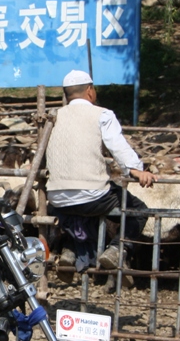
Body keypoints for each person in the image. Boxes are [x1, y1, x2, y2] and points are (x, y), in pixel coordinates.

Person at [45, 69, 154, 272]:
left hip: (57, 198)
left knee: (77, 210)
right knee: (138, 211)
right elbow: (117, 145)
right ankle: (117, 250)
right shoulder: (102, 114)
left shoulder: (52, 117)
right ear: (89, 91)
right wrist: (135, 170)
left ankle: (71, 250)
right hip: (92, 196)